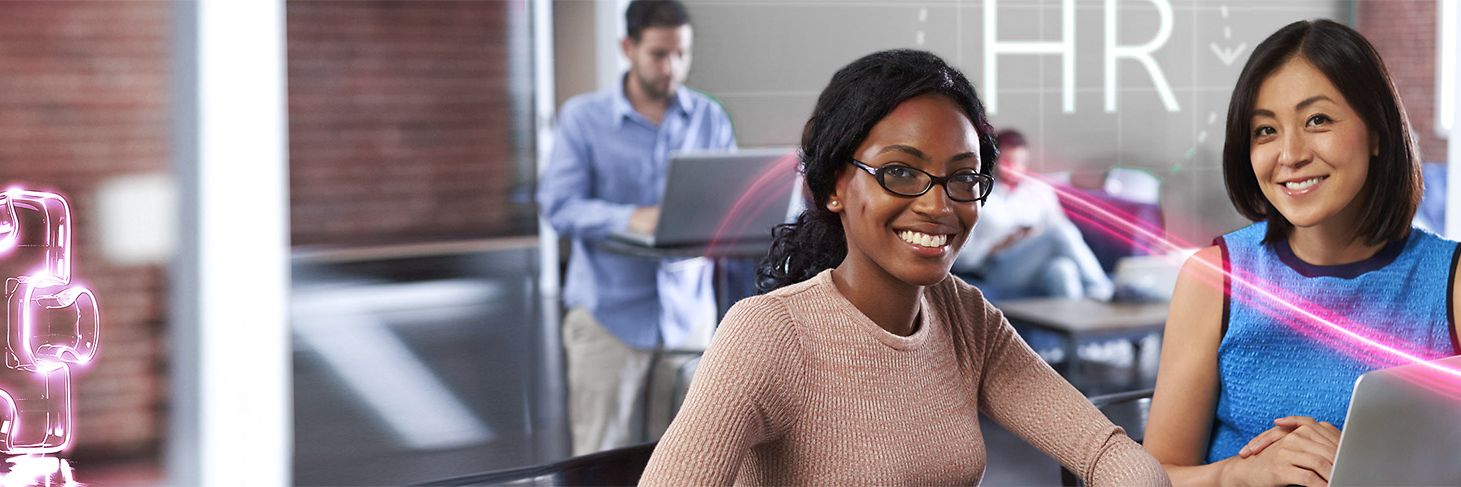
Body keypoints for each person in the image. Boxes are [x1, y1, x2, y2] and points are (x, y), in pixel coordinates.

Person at [639, 49, 1168, 485]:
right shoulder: (770, 336)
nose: (939, 206)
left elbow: (1102, 449)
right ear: (834, 188)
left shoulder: (965, 316)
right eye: (900, 172)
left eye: (963, 178)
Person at [1143, 19, 1461, 485]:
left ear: (1377, 132)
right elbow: (1153, 476)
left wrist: (1367, 465)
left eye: (1318, 120)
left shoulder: (1450, 282)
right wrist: (1243, 472)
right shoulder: (1215, 278)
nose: (1289, 154)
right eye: (1266, 130)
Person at [536, 0, 736, 455]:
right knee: (602, 457)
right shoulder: (583, 119)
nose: (673, 68)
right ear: (628, 48)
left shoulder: (709, 118)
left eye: (682, 54)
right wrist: (630, 217)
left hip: (689, 321)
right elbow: (558, 206)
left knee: (689, 457)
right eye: (659, 55)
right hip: (609, 317)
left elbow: (728, 203)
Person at [953, 129, 1114, 300]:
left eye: (1020, 162)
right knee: (1058, 233)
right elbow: (963, 260)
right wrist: (999, 246)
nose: (1015, 169)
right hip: (998, 270)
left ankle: (1080, 324)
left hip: (1037, 263)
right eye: (1008, 162)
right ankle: (1103, 289)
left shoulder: (1039, 192)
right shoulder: (980, 196)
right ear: (996, 161)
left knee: (1063, 269)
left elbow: (1063, 232)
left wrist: (1034, 236)